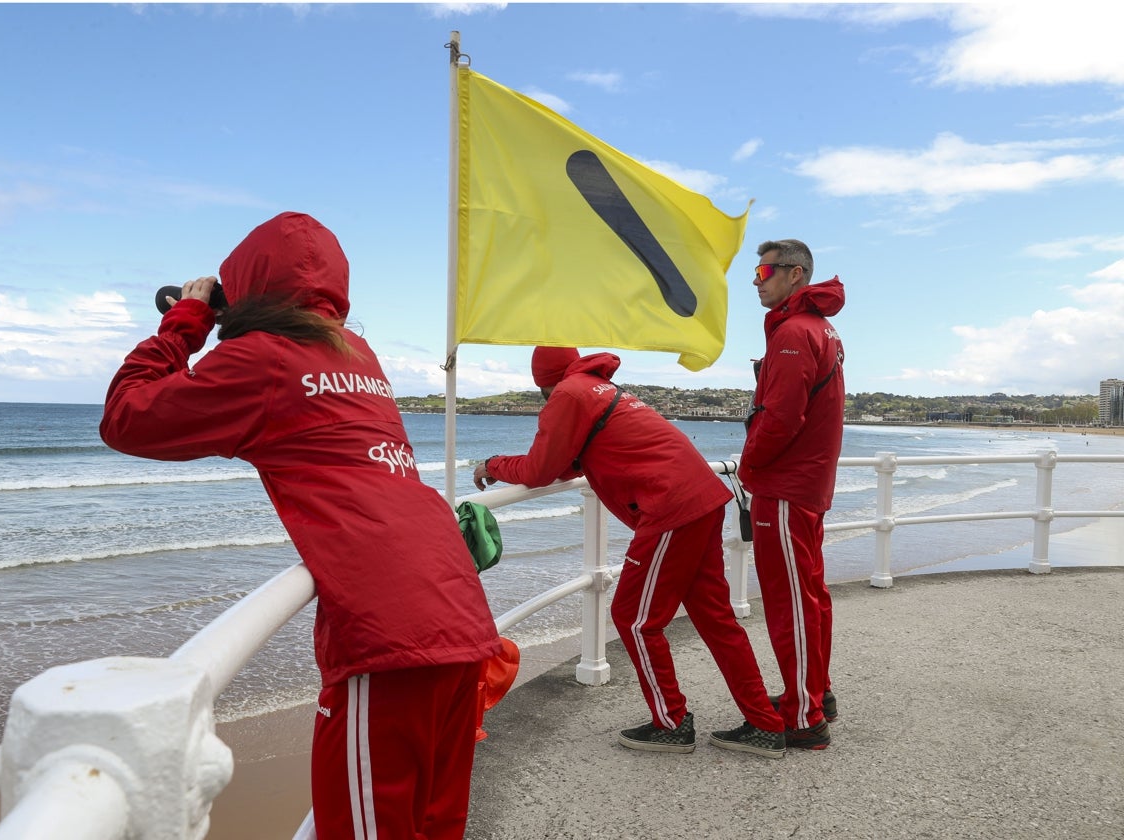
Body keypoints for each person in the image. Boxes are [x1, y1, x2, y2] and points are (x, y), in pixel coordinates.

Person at [100, 211, 501, 839]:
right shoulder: (357, 354)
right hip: (457, 615)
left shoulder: (259, 360)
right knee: (433, 825)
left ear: (248, 288)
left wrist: (188, 320)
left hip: (391, 638)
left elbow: (127, 417)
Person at [474, 347, 787, 759]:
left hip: (670, 509)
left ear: (541, 382)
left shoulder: (567, 395)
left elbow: (539, 470)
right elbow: (570, 461)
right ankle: (765, 723)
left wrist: (491, 464)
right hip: (701, 499)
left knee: (634, 619)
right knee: (716, 620)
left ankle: (671, 723)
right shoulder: (599, 388)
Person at [740, 238, 846, 750]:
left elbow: (781, 418)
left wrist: (748, 462)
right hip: (806, 486)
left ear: (796, 274)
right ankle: (816, 694)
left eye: (763, 270)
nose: (756, 280)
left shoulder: (794, 333)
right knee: (810, 596)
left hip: (784, 487)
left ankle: (803, 718)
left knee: (789, 604)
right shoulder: (818, 329)